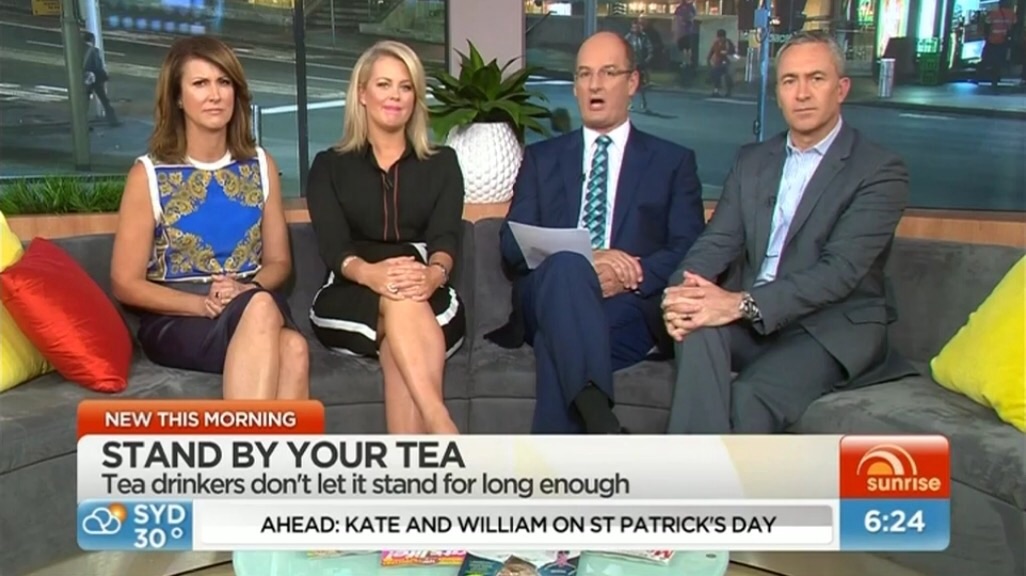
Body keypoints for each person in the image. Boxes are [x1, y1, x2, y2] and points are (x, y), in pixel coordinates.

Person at [662, 31, 915, 435]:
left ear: (841, 89)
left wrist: (741, 304)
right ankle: (702, 472)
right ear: (778, 93)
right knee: (695, 327)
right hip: (753, 323)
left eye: (816, 78)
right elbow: (715, 243)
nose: (802, 93)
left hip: (826, 328)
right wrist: (680, 296)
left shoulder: (880, 170)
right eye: (789, 80)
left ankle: (705, 472)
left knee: (750, 395)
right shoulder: (752, 161)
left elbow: (838, 273)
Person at [489, 31, 705, 434]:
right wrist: (588, 259)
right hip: (546, 296)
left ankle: (592, 424)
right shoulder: (541, 158)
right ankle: (600, 425)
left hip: (626, 307)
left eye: (608, 72)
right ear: (575, 86)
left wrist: (632, 273)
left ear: (632, 82)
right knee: (568, 269)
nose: (594, 85)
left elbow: (689, 246)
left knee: (560, 339)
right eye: (584, 74)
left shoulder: (672, 162)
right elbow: (512, 244)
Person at [111, 36, 308, 400]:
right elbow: (125, 283)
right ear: (177, 98)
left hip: (250, 296)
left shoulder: (261, 165)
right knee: (285, 340)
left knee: (289, 341)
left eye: (224, 82)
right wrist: (201, 305)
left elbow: (279, 263)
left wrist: (246, 290)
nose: (215, 95)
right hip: (179, 316)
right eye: (200, 83)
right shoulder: (147, 174)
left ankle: (252, 440)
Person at [305, 40, 465, 435]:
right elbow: (333, 246)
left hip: (427, 288)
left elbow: (446, 236)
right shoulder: (329, 166)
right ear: (362, 93)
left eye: (406, 87)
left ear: (415, 98)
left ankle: (414, 458)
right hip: (350, 289)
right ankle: (440, 421)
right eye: (384, 84)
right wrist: (371, 274)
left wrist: (433, 274)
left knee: (401, 321)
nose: (395, 95)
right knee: (398, 297)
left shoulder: (443, 163)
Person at [82, 32, 119, 126]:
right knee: (104, 100)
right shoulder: (94, 51)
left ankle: (82, 122)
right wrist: (105, 76)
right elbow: (98, 67)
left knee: (85, 102)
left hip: (85, 79)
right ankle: (113, 121)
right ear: (92, 40)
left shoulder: (79, 50)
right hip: (96, 80)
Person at [625, 20, 653, 112]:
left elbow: (649, 48)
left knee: (641, 85)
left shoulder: (644, 37)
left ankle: (643, 104)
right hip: (631, 63)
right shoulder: (629, 37)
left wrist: (647, 58)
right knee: (630, 84)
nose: (635, 29)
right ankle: (630, 103)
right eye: (634, 27)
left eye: (637, 27)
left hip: (641, 64)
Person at [707, 29, 736, 97]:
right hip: (718, 63)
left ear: (724, 37)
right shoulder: (716, 43)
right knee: (716, 76)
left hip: (727, 62)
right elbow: (712, 51)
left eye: (721, 37)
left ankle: (728, 91)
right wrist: (708, 59)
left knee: (728, 77)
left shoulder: (728, 42)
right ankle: (716, 91)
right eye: (719, 37)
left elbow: (733, 51)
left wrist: (726, 52)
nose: (720, 39)